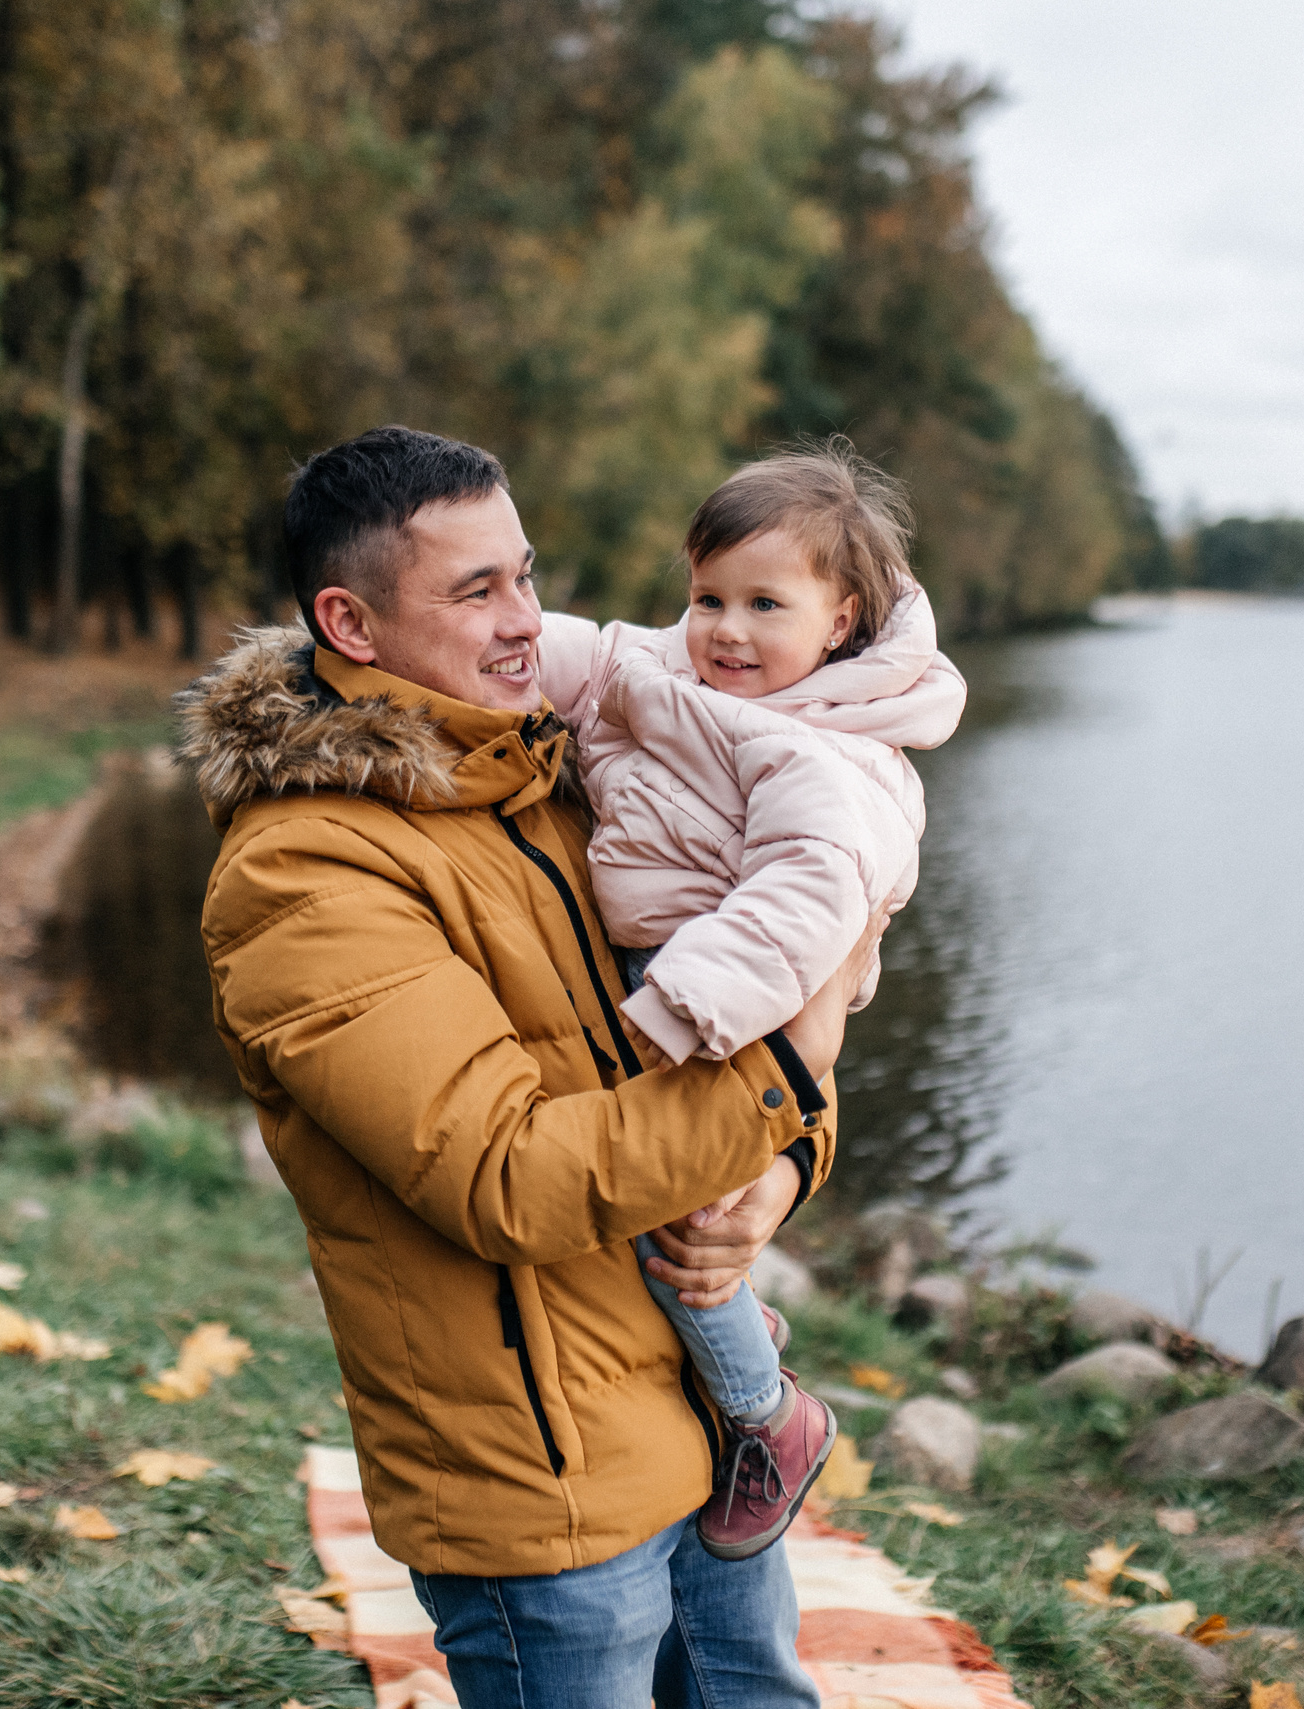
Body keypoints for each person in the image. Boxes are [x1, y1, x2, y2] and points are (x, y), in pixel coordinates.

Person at [178, 425, 874, 1709]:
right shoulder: (306, 871)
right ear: (350, 621)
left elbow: (740, 1034)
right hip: (545, 1490)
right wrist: (791, 1066)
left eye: (526, 574)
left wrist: (782, 1166)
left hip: (707, 1427)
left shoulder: (552, 772)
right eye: (475, 590)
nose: (524, 619)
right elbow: (508, 1176)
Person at [535, 442, 964, 1560]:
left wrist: (684, 1006)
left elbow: (807, 894)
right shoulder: (683, 674)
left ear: (840, 619)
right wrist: (504, 644)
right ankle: (743, 1348)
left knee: (681, 1218)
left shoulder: (819, 752)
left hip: (726, 999)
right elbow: (589, 652)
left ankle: (769, 1414)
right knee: (675, 1210)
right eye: (707, 597)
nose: (725, 629)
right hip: (681, 973)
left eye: (764, 604)